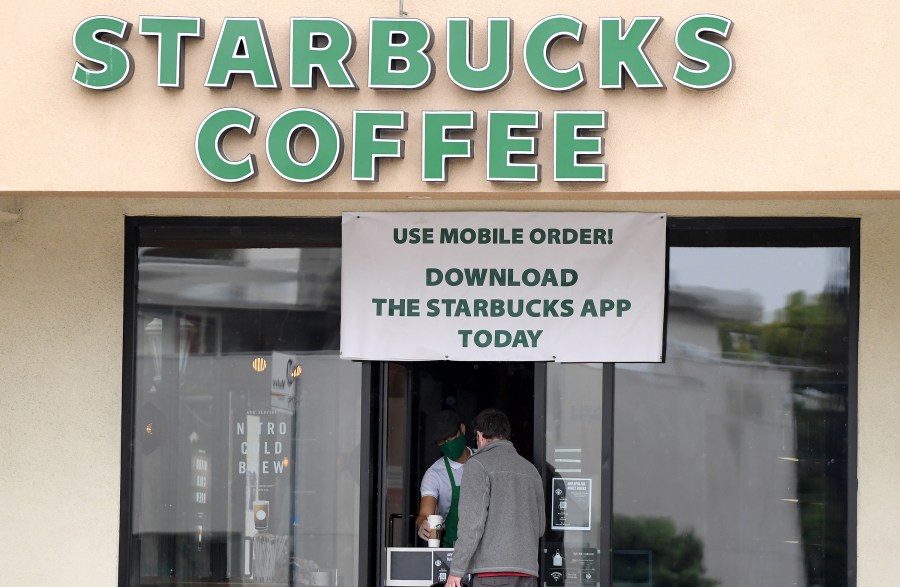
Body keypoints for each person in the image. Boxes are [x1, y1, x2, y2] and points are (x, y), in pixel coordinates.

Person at [446, 409, 545, 587]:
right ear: (505, 435)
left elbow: (472, 524)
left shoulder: (478, 465)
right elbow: (540, 528)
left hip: (491, 574)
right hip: (527, 574)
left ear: (480, 435)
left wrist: (457, 570)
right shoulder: (531, 471)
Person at [416, 410, 474, 547]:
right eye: (442, 441)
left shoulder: (485, 461)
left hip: (487, 555)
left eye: (451, 437)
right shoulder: (434, 474)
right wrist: (422, 524)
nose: (448, 444)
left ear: (463, 429)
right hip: (452, 552)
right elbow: (424, 514)